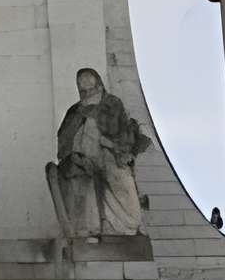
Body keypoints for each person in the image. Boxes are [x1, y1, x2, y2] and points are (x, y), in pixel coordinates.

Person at [47, 65, 151, 241]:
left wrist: (113, 146)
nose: (86, 88)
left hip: (111, 155)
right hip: (82, 160)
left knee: (121, 182)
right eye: (82, 84)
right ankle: (94, 230)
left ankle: (130, 226)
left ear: (99, 85)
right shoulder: (75, 110)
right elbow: (64, 138)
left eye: (90, 83)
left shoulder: (113, 104)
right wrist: (73, 155)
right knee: (84, 183)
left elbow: (123, 132)